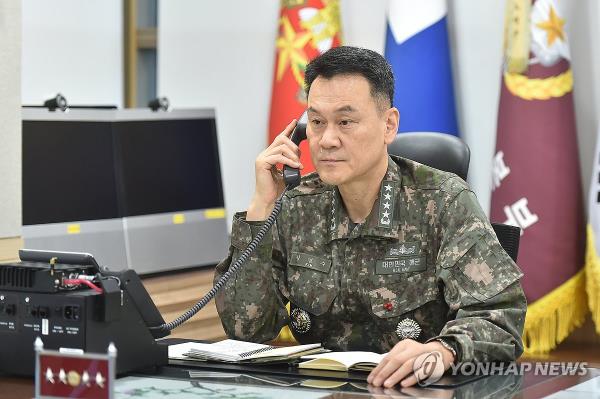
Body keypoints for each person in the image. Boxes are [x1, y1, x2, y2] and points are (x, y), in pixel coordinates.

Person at [214, 46, 526, 388]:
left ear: (388, 125)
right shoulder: (295, 204)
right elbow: (247, 330)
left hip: (418, 391)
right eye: (317, 122)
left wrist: (443, 351)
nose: (327, 139)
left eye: (345, 121)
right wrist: (261, 206)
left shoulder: (443, 200)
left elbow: (500, 318)